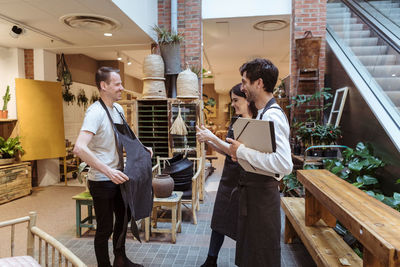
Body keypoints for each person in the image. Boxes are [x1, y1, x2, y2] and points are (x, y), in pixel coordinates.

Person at [74, 67, 150, 267]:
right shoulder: (95, 112)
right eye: (117, 84)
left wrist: (142, 149)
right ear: (103, 86)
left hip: (119, 177)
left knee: (123, 221)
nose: (122, 88)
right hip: (102, 181)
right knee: (105, 228)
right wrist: (108, 171)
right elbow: (79, 148)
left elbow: (126, 137)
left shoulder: (118, 109)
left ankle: (120, 259)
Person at [227, 58, 293, 267]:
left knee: (262, 257)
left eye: (245, 81)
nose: (243, 86)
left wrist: (243, 151)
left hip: (263, 201)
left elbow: (284, 164)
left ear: (259, 83)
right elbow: (264, 155)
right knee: (253, 256)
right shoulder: (263, 113)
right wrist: (242, 156)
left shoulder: (272, 116)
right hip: (255, 197)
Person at [197, 84, 258, 267]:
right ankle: (211, 260)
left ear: (248, 99)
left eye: (236, 100)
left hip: (247, 181)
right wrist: (210, 140)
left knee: (245, 225)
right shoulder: (236, 120)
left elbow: (238, 152)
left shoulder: (257, 122)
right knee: (219, 219)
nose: (233, 104)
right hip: (229, 177)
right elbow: (228, 151)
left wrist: (213, 139)